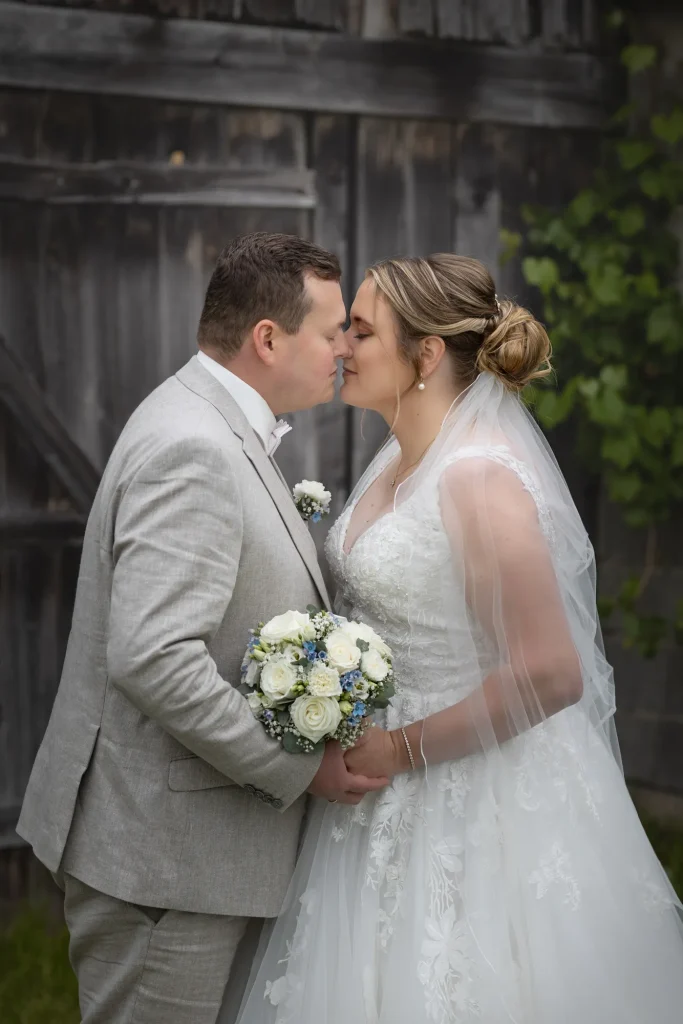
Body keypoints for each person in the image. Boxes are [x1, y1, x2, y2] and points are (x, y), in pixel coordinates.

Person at [235, 253, 683, 1023]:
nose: (341, 348)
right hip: (378, 794)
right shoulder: (396, 466)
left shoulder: (476, 478)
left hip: (475, 799)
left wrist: (400, 747)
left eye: (362, 333)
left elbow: (549, 674)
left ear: (427, 355)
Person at [16, 232, 387, 1024]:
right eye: (330, 333)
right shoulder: (193, 445)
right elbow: (154, 659)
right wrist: (297, 770)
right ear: (266, 338)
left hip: (190, 852)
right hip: (164, 860)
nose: (342, 351)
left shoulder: (210, 420)